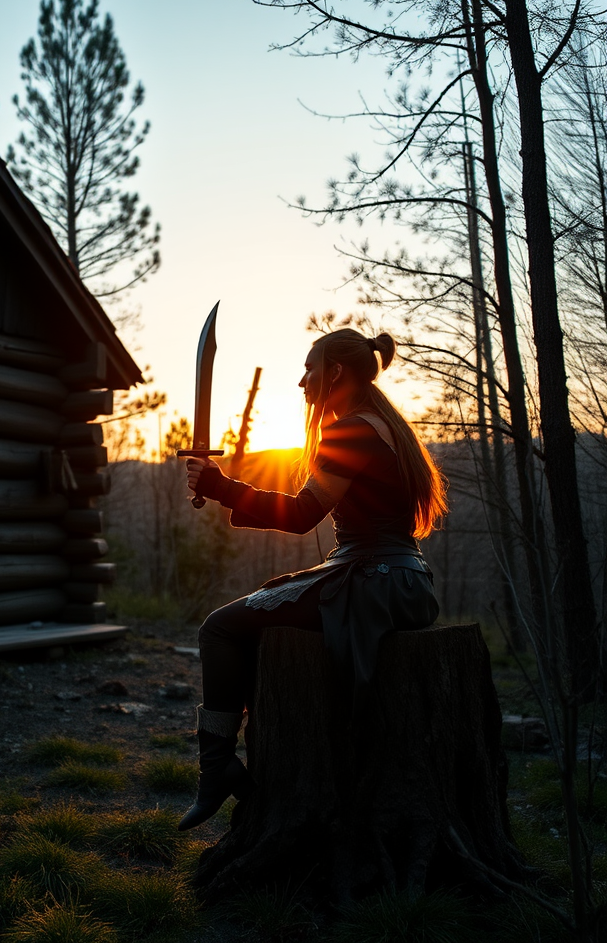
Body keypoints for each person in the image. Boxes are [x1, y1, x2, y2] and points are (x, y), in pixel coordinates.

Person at [178, 328, 447, 831]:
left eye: (309, 368)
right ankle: (228, 763)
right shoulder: (381, 424)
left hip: (373, 580)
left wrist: (220, 487)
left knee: (218, 627)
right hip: (401, 578)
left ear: (336, 372)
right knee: (256, 611)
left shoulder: (352, 431)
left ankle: (215, 767)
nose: (302, 381)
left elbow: (304, 514)